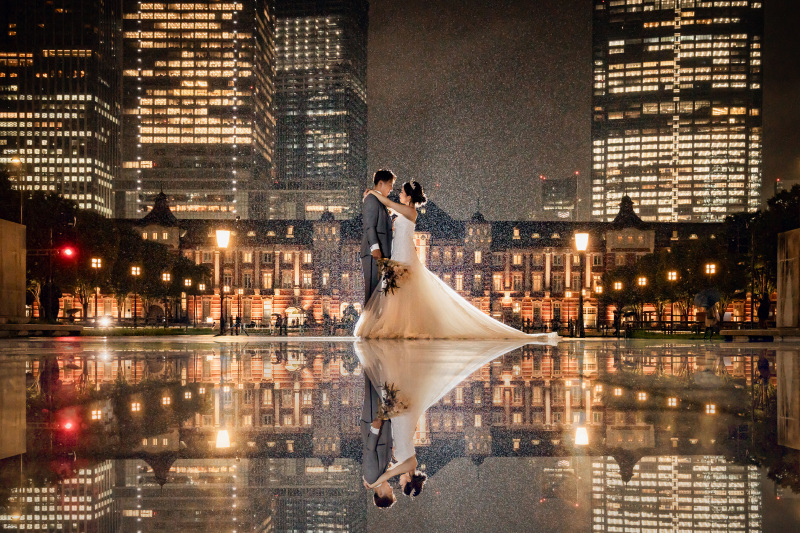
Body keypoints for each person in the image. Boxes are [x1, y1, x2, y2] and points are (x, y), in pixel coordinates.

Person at [354, 180, 559, 341]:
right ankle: (401, 325)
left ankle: (403, 326)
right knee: (401, 292)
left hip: (405, 255)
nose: (398, 193)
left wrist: (373, 193)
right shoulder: (404, 212)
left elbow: (389, 204)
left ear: (408, 196)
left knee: (403, 290)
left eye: (401, 192)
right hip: (401, 253)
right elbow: (387, 210)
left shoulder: (410, 211)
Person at [357, 339, 557, 494]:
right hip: (402, 417)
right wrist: (375, 482)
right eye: (402, 485)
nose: (399, 482)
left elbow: (387, 466)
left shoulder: (404, 464)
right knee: (390, 378)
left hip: (400, 418)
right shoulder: (410, 465)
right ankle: (386, 351)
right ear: (409, 480)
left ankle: (386, 352)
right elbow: (391, 472)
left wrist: (376, 480)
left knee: (389, 379)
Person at [361, 169, 395, 304]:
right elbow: (369, 225)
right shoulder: (371, 199)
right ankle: (368, 319)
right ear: (381, 183)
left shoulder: (377, 200)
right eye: (390, 184)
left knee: (377, 295)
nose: (391, 188)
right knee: (372, 295)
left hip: (380, 254)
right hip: (374, 254)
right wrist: (375, 248)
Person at [360, 374, 395, 508]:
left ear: (380, 493)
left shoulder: (371, 477)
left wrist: (375, 428)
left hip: (374, 420)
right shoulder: (378, 478)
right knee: (380, 384)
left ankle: (371, 362)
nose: (391, 488)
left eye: (389, 492)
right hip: (381, 423)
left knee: (373, 383)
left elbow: (370, 451)